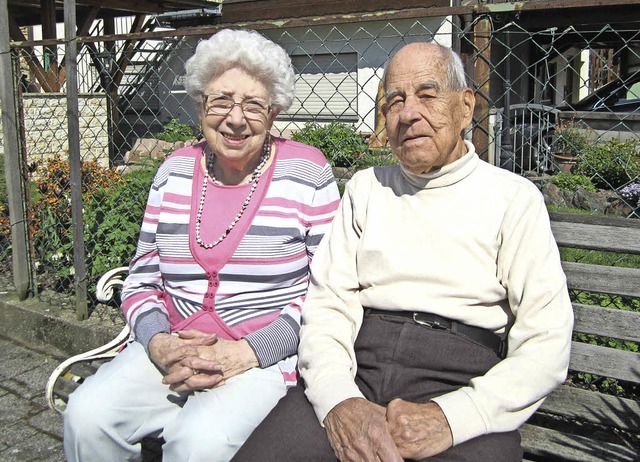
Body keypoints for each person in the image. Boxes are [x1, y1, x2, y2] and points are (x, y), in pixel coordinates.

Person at [232, 42, 574, 461]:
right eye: (395, 100)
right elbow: (327, 306)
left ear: (466, 108)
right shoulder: (365, 187)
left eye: (427, 96)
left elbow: (547, 341)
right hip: (360, 365)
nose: (409, 113)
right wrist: (339, 399)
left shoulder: (512, 199)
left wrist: (454, 417)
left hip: (461, 377)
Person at [63, 28, 340, 462]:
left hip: (260, 358)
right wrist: (157, 342)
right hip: (172, 349)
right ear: (198, 105)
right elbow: (141, 279)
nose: (235, 118)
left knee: (199, 443)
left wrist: (247, 351)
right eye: (221, 101)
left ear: (275, 112)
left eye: (253, 104)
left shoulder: (307, 172)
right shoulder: (173, 171)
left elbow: (328, 290)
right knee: (87, 415)